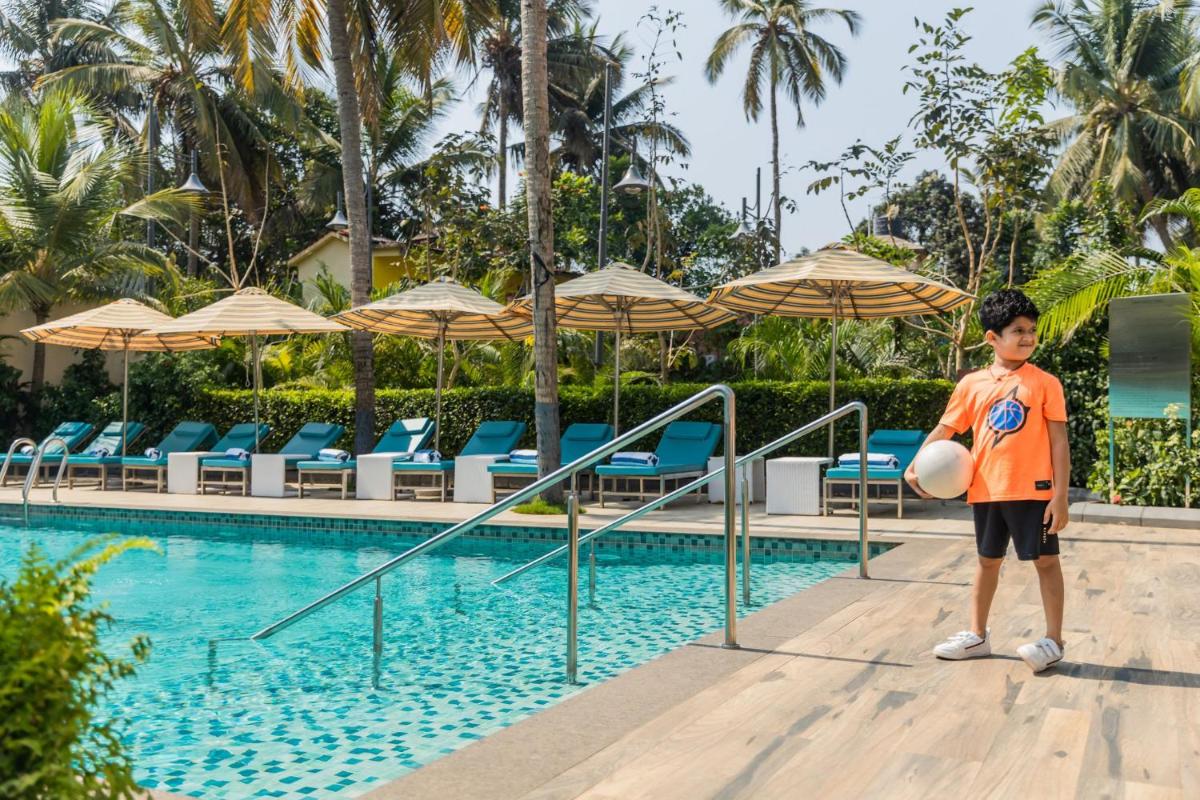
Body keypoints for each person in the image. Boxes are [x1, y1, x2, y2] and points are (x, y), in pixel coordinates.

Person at [905, 288, 1071, 672]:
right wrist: (916, 464)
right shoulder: (971, 384)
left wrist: (1060, 495)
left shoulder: (1046, 383)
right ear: (992, 338)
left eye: (1032, 329)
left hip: (1035, 491)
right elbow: (946, 429)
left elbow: (1059, 442)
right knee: (987, 561)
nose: (1028, 337)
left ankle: (1054, 640)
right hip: (986, 490)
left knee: (1046, 562)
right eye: (1018, 330)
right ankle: (977, 636)